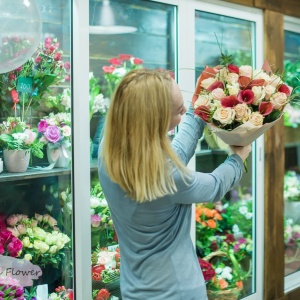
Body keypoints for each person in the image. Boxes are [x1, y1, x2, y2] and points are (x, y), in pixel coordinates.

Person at [98, 68, 251, 300]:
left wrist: (201, 107)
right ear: (154, 121)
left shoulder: (109, 153)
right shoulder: (166, 173)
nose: (183, 115)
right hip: (178, 290)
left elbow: (175, 155)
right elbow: (216, 185)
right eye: (179, 111)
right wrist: (238, 158)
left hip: (134, 291)